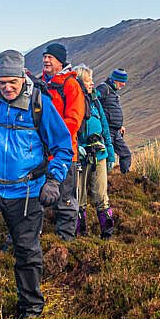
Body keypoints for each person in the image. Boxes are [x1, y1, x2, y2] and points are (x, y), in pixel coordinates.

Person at [0, 50, 73, 319]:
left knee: (27, 248)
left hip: (27, 188)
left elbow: (63, 146)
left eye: (13, 82)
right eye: (2, 82)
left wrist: (54, 180)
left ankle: (31, 306)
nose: (7, 88)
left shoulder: (39, 103)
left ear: (22, 77)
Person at [38, 42, 84, 241]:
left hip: (65, 154)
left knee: (64, 200)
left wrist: (52, 138)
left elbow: (73, 121)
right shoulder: (41, 84)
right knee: (34, 198)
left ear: (60, 61)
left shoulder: (71, 85)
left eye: (51, 57)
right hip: (39, 154)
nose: (46, 60)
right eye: (45, 56)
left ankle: (65, 242)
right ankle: (30, 239)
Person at [72, 66, 116, 238]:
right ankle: (80, 234)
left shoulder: (96, 102)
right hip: (80, 158)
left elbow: (105, 128)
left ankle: (107, 233)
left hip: (99, 155)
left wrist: (111, 154)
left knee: (101, 195)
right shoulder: (74, 103)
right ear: (80, 82)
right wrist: (76, 148)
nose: (92, 83)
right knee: (79, 197)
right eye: (88, 80)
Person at [96, 68, 132, 173]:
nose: (124, 84)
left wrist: (120, 125)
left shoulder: (112, 92)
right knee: (106, 157)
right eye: (122, 81)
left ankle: (125, 178)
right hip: (107, 130)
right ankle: (105, 180)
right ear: (114, 80)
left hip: (116, 131)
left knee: (125, 154)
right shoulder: (104, 88)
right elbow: (93, 101)